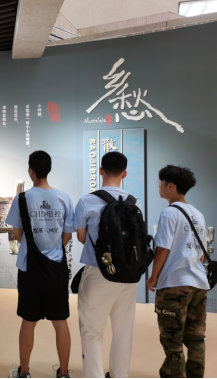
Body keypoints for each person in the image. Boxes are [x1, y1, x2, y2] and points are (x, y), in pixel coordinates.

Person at [6, 151, 75, 379]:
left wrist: (33, 248)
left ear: (31, 171)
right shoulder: (64, 198)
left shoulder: (21, 199)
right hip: (56, 269)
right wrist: (52, 248)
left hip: (29, 269)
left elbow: (17, 234)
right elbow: (67, 235)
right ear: (49, 170)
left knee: (28, 321)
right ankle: (63, 373)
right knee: (60, 322)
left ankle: (24, 373)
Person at [74, 152, 142, 379]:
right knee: (123, 330)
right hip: (128, 274)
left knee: (92, 331)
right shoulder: (135, 202)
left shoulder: (87, 201)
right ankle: (119, 375)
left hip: (99, 271)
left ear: (101, 170)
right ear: (125, 174)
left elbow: (82, 238)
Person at [147, 166, 209, 379]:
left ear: (170, 186)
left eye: (161, 183)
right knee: (196, 337)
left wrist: (153, 276)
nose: (159, 187)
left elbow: (162, 248)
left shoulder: (169, 213)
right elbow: (201, 254)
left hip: (174, 284)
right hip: (198, 284)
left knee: (172, 339)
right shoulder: (198, 214)